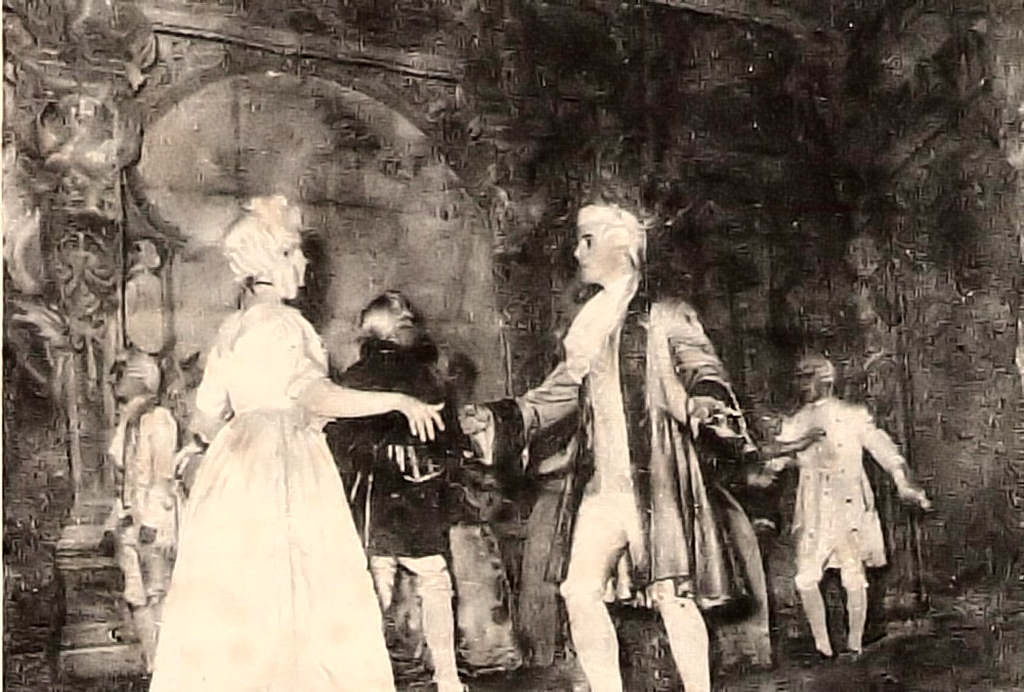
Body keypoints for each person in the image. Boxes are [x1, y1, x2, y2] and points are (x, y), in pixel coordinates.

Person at [458, 203, 822, 692]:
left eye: (587, 240)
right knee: (578, 590)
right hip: (602, 487)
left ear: (621, 244)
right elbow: (560, 392)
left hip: (657, 481)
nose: (577, 251)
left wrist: (704, 399)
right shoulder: (590, 321)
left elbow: (703, 368)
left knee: (674, 596)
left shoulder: (663, 315)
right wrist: (500, 417)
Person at [148, 195, 445, 692]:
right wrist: (398, 401)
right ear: (271, 261)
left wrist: (213, 450)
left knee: (243, 595)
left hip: (234, 469)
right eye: (295, 252)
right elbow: (315, 395)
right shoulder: (286, 323)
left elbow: (205, 418)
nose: (305, 263)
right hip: (284, 465)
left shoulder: (231, 329)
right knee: (301, 588)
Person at [326, 290, 470, 692]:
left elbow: (338, 441)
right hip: (404, 497)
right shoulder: (418, 376)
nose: (409, 321)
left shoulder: (360, 376)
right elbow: (448, 440)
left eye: (408, 315)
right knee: (429, 582)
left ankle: (375, 678)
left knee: (381, 585)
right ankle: (445, 678)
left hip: (381, 499)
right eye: (401, 317)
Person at [753, 353, 931, 659]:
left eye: (808, 378)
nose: (802, 385)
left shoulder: (852, 415)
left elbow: (884, 450)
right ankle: (822, 646)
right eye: (800, 378)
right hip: (814, 508)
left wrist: (903, 483)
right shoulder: (797, 421)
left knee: (853, 572)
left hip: (849, 503)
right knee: (806, 576)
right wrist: (769, 469)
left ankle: (855, 644)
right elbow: (776, 461)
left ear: (825, 380)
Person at [106, 349, 179, 671]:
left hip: (155, 519)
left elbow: (163, 475)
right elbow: (119, 463)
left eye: (120, 377)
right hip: (130, 516)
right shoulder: (129, 422)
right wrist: (121, 516)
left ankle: (169, 665)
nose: (114, 384)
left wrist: (151, 520)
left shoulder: (159, 420)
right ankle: (152, 662)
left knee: (157, 591)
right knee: (135, 592)